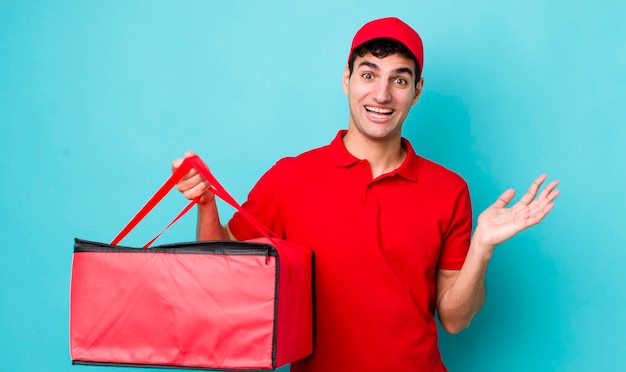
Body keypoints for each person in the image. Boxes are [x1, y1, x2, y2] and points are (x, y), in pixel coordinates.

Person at [172, 17, 559, 372]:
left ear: (417, 91)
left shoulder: (449, 190)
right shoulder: (291, 177)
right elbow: (221, 269)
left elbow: (455, 320)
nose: (382, 94)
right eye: (369, 74)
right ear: (347, 78)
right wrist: (206, 206)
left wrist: (482, 247)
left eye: (400, 80)